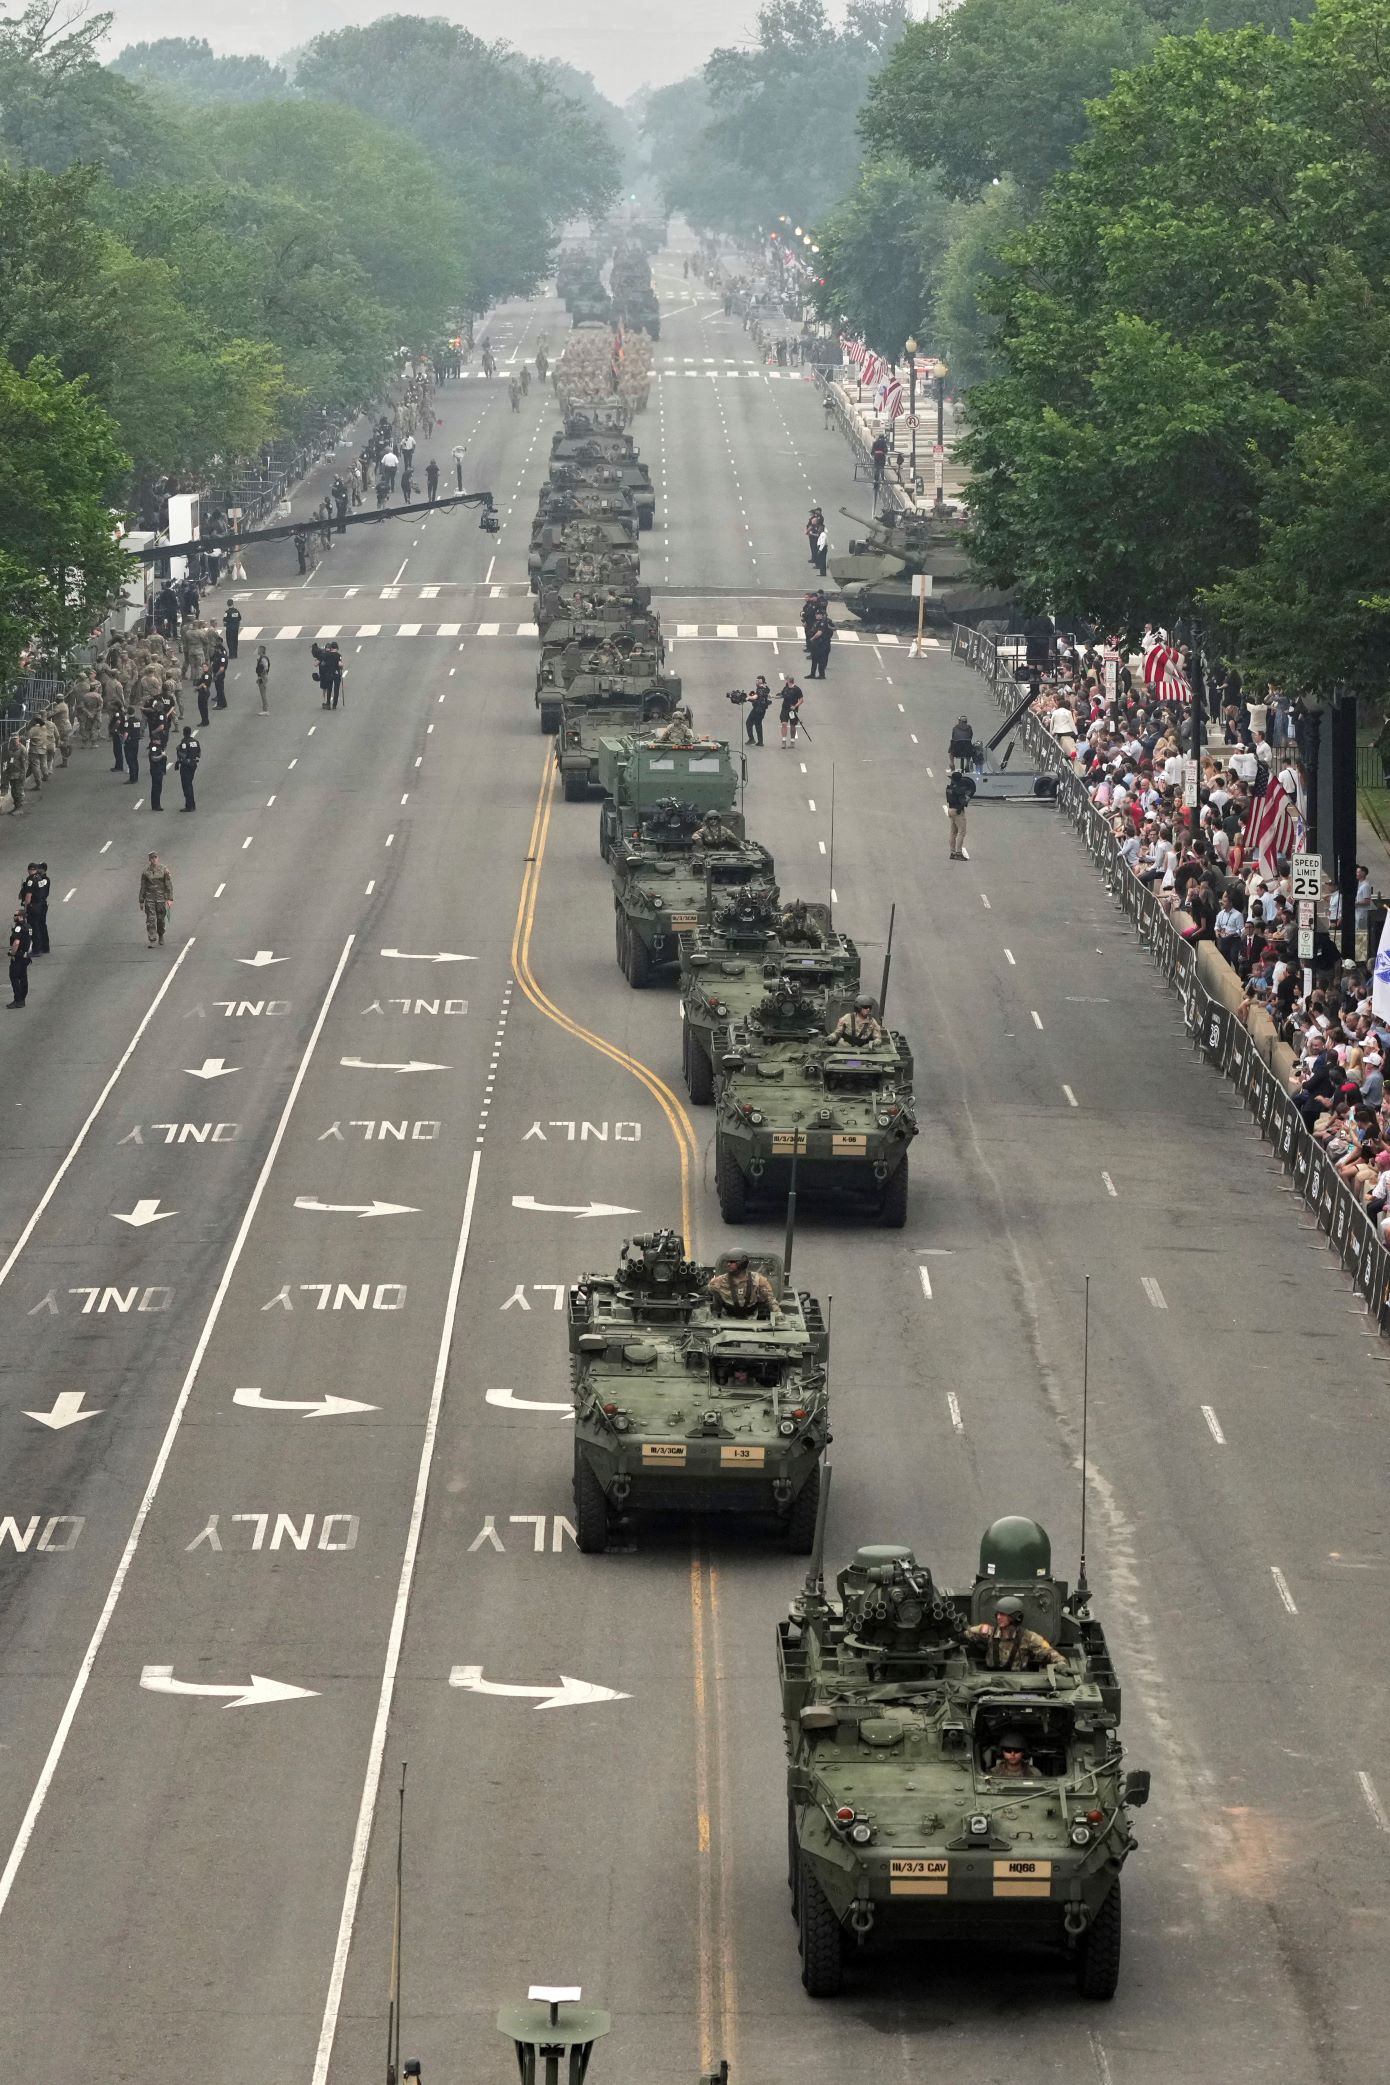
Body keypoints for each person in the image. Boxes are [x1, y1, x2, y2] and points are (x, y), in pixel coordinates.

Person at [965, 1596, 1066, 1670]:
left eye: (1003, 1614)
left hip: (1018, 1679)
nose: (999, 1617)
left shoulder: (1028, 1637)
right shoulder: (988, 1632)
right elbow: (966, 1633)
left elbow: (1049, 1652)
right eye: (998, 1614)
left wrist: (1061, 1664)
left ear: (1015, 1617)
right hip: (991, 1676)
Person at [705, 1252, 777, 1319]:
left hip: (751, 1320)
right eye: (727, 1262)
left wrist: (777, 1313)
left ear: (742, 1263)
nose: (728, 1264)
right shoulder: (719, 1281)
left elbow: (770, 1298)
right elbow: (706, 1291)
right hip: (727, 1319)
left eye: (732, 1262)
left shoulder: (757, 1279)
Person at [138, 851, 173, 947]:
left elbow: (168, 885)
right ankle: (152, 937)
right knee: (151, 918)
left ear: (158, 858)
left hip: (161, 898)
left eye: (155, 857)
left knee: (160, 919)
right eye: (152, 858)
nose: (154, 859)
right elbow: (143, 887)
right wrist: (141, 900)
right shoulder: (145, 872)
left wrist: (170, 899)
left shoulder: (164, 870)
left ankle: (161, 934)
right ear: (149, 859)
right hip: (149, 899)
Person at [19, 863, 50, 955]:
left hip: (34, 906)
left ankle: (36, 949)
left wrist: (25, 908)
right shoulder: (42, 879)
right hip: (43, 905)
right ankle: (45, 947)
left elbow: (28, 896)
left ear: (28, 870)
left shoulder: (30, 880)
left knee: (34, 927)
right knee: (42, 926)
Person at [946, 769, 973, 860]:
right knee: (961, 832)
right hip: (958, 811)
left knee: (953, 832)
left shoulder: (949, 788)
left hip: (950, 809)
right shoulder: (959, 789)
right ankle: (958, 853)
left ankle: (952, 852)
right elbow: (964, 800)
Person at [8, 906, 31, 1008]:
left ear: (21, 917)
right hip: (25, 956)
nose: (14, 916)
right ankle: (22, 999)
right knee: (23, 977)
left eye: (16, 915)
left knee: (14, 977)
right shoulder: (28, 926)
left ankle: (18, 999)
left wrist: (12, 953)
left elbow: (16, 942)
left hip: (18, 956)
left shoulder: (19, 927)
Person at [312, 639, 343, 710]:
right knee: (336, 689)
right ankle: (334, 705)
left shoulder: (326, 655)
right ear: (337, 648)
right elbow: (340, 664)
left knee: (329, 689)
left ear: (331, 648)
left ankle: (328, 704)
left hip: (329, 674)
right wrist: (341, 666)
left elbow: (316, 664)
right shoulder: (338, 655)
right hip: (337, 674)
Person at [175, 727, 200, 810]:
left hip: (186, 765)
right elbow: (199, 754)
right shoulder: (195, 741)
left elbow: (184, 755)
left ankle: (189, 806)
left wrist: (178, 751)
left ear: (184, 733)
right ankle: (192, 804)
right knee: (189, 784)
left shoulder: (184, 742)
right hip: (194, 764)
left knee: (186, 786)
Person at [746, 677, 771, 746]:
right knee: (758, 724)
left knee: (748, 722)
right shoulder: (766, 688)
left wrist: (748, 697)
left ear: (760, 681)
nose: (756, 682)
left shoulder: (760, 689)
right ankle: (760, 741)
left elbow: (756, 697)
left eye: (757, 681)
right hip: (763, 709)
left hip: (757, 709)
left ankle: (751, 739)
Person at [779, 676, 803, 748]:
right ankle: (783, 741)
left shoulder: (797, 689)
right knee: (784, 724)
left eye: (786, 680)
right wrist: (774, 697)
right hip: (785, 709)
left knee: (792, 725)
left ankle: (792, 741)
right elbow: (782, 695)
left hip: (793, 710)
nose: (785, 681)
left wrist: (795, 706)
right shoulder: (785, 688)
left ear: (789, 681)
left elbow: (801, 700)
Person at [148, 732, 168, 811]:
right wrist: (162, 755)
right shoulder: (154, 748)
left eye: (159, 740)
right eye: (157, 740)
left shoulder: (159, 747)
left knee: (158, 788)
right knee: (156, 788)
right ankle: (156, 805)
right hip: (156, 770)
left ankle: (156, 805)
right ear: (154, 741)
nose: (159, 741)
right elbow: (154, 758)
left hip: (159, 770)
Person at [124, 707, 143, 785]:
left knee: (130, 760)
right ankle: (136, 777)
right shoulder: (138, 720)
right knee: (135, 759)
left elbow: (126, 733)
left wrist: (123, 741)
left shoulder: (128, 722)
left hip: (129, 742)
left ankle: (132, 778)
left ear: (128, 713)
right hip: (136, 742)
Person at [254, 645, 270, 713]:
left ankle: (265, 710)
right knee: (263, 694)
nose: (257, 651)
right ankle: (265, 709)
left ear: (261, 651)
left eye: (258, 649)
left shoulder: (263, 659)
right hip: (262, 677)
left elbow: (265, 668)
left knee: (263, 694)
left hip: (263, 677)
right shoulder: (261, 658)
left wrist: (261, 676)